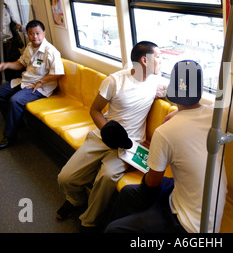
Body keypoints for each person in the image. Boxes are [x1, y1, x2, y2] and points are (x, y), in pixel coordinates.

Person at [104, 60, 227, 233]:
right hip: (205, 212)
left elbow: (153, 182)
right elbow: (199, 109)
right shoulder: (216, 115)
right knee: (127, 193)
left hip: (188, 226)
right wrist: (178, 112)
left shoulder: (164, 132)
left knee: (113, 230)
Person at [56, 41, 163, 232]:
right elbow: (95, 110)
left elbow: (169, 92)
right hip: (104, 135)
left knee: (106, 177)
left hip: (129, 144)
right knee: (65, 177)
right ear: (144, 60)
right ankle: (75, 200)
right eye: (159, 57)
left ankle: (89, 221)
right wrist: (107, 131)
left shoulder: (155, 80)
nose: (162, 61)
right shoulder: (114, 81)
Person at [0, 20, 64, 149]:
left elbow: (58, 73)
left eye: (37, 33)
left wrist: (40, 81)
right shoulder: (29, 47)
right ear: (27, 34)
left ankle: (10, 136)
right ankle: (17, 123)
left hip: (41, 86)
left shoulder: (51, 51)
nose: (34, 36)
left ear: (44, 33)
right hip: (26, 81)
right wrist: (7, 65)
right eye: (31, 33)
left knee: (15, 100)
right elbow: (21, 64)